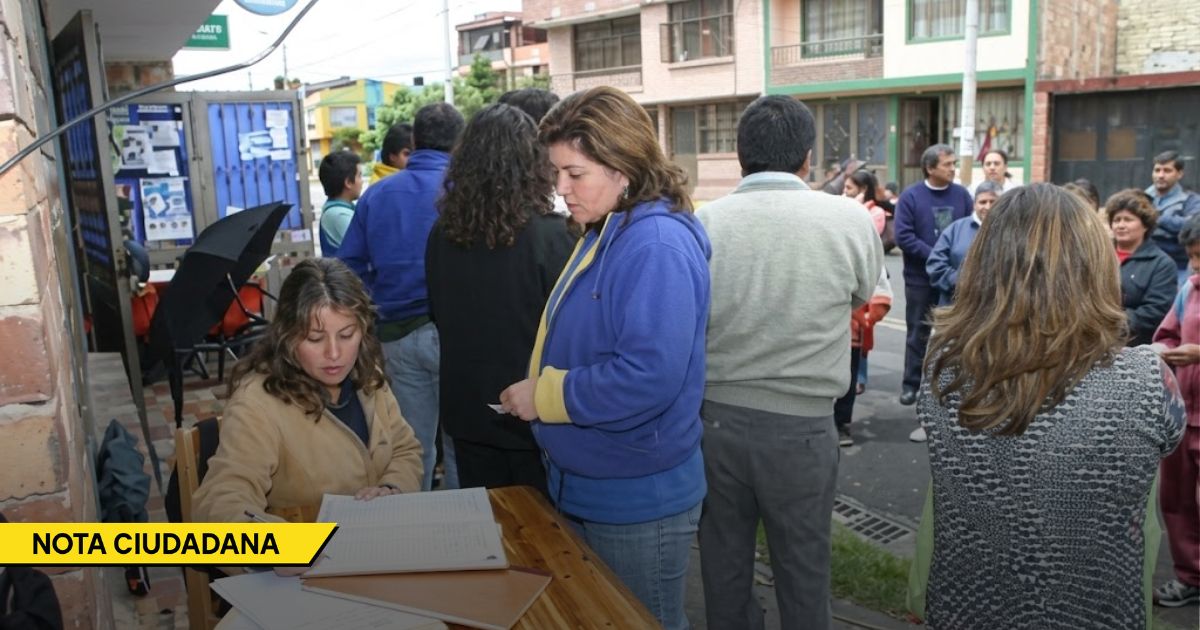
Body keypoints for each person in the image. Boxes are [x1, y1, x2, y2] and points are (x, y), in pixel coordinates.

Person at [919, 183, 1186, 630]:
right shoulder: (1145, 379)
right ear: (1095, 266)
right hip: (1094, 613)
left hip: (968, 608)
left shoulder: (941, 370)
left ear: (983, 264)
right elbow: (1169, 439)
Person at [497, 86, 709, 630]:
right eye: (556, 173)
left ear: (623, 167)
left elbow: (648, 377)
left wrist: (545, 397)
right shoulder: (613, 226)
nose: (560, 189)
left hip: (637, 494)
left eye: (575, 174)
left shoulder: (653, 243)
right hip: (604, 481)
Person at [696, 95, 882, 629]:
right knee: (804, 570)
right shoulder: (848, 219)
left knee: (722, 564)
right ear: (807, 156)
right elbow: (858, 296)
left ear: (739, 155)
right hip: (803, 426)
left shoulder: (705, 222)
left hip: (715, 423)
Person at [192, 258, 424, 524]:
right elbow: (219, 502)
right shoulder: (256, 404)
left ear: (363, 330)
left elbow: (406, 450)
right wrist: (276, 546)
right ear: (288, 336)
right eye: (315, 338)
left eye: (347, 335)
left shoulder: (367, 375)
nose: (334, 354)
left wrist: (393, 487)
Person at [425, 104, 575, 496]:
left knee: (486, 536)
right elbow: (570, 330)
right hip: (532, 411)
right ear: (533, 164)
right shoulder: (552, 236)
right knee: (543, 540)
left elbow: (438, 313)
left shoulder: (442, 235)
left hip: (467, 410)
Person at [339, 102, 465, 491]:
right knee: (460, 444)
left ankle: (415, 538)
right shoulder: (467, 192)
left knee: (412, 449)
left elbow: (347, 268)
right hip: (459, 337)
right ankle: (466, 539)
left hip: (397, 337)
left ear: (414, 141)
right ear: (460, 143)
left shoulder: (377, 195)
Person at [894, 144, 972, 438]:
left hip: (954, 280)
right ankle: (911, 385)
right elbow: (904, 236)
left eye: (953, 163)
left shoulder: (962, 196)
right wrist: (938, 254)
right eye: (948, 164)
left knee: (953, 335)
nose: (953, 168)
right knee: (918, 334)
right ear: (930, 168)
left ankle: (950, 388)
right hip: (920, 280)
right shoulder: (911, 196)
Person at [1151, 215, 1200, 609]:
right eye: (1192, 258)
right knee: (1176, 498)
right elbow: (1166, 333)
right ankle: (1190, 576)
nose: (1196, 266)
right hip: (1185, 412)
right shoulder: (1189, 288)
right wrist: (1168, 352)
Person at [1106, 189, 1179, 346]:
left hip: (1134, 346)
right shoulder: (1099, 256)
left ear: (1145, 225)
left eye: (1128, 220)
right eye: (1116, 220)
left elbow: (1155, 311)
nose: (1121, 225)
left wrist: (1108, 323)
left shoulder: (1161, 264)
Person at [926, 180, 1002, 305]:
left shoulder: (1011, 231)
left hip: (995, 310)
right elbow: (935, 265)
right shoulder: (955, 229)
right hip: (955, 307)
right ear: (974, 204)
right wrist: (963, 282)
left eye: (993, 202)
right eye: (983, 202)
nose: (988, 207)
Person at [1146, 151, 1200, 284]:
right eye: (1157, 170)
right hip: (1147, 263)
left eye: (1167, 170)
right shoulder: (1142, 198)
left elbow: (1192, 227)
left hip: (1179, 266)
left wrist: (1156, 217)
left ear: (1179, 173)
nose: (1161, 175)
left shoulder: (1191, 200)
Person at [317, 150, 362, 258]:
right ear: (348, 183)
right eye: (359, 176)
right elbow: (365, 247)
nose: (362, 181)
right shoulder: (338, 215)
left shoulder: (340, 209)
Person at [844, 169, 886, 234]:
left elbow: (864, 236)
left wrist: (856, 207)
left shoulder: (877, 212)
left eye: (849, 188)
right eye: (844, 187)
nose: (844, 191)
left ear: (863, 189)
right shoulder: (844, 206)